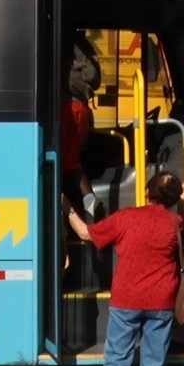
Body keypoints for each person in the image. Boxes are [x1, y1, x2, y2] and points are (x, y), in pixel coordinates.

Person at [64, 172, 184, 366]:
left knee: (117, 361)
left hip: (126, 300)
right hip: (161, 302)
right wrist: (182, 200)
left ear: (146, 192)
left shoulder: (126, 217)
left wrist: (66, 206)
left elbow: (85, 233)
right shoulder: (175, 222)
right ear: (173, 199)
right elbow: (180, 219)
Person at [61, 30, 102, 222]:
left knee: (62, 163)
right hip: (81, 107)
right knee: (71, 160)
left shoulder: (54, 37)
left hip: (64, 107)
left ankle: (86, 206)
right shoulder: (79, 41)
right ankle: (88, 204)